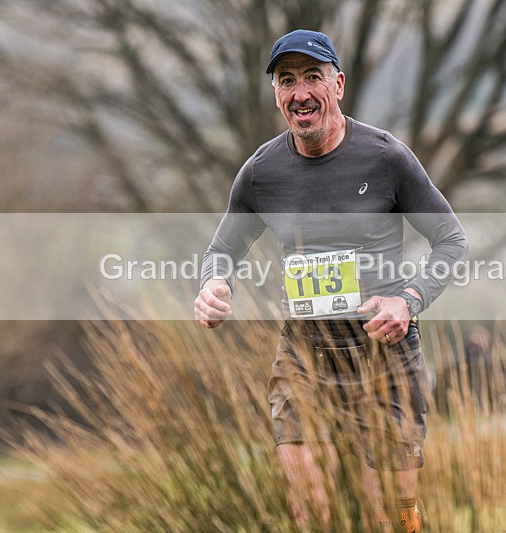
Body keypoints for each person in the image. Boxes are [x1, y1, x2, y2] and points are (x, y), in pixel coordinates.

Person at [194, 29, 468, 532]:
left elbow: (451, 241)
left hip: (383, 356)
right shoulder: (259, 173)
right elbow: (221, 252)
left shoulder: (386, 158)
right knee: (312, 515)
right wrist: (214, 286)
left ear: (338, 84)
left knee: (386, 518)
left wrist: (409, 299)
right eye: (286, 80)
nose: (300, 92)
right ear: (276, 93)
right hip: (304, 354)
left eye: (312, 77)